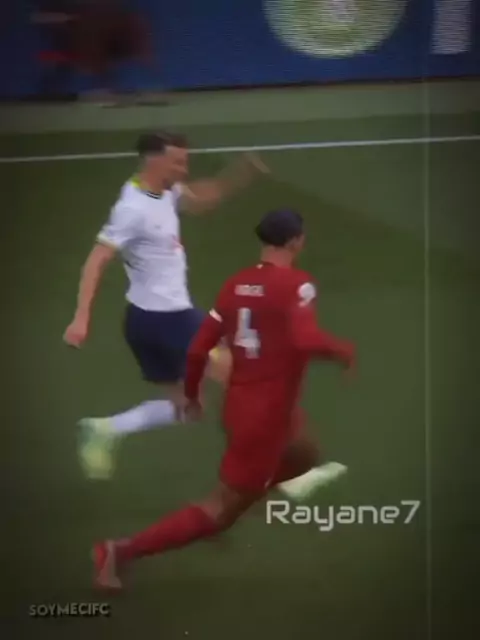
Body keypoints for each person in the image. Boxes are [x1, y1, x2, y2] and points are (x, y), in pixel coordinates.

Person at [93, 208, 354, 590]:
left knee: (304, 451)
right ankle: (118, 553)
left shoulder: (236, 285)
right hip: (263, 421)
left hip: (246, 407)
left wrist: (192, 394)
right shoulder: (298, 285)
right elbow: (305, 339)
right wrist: (343, 351)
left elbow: (199, 348)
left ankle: (244, 503)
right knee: (219, 510)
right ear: (297, 241)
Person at [63, 131, 268, 480]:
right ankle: (283, 469)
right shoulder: (132, 209)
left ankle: (106, 429)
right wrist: (81, 318)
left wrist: (238, 175)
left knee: (188, 409)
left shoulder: (164, 190)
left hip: (143, 323)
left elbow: (200, 199)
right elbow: (96, 260)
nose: (183, 169)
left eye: (185, 161)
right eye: (177, 162)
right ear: (152, 160)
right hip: (170, 321)